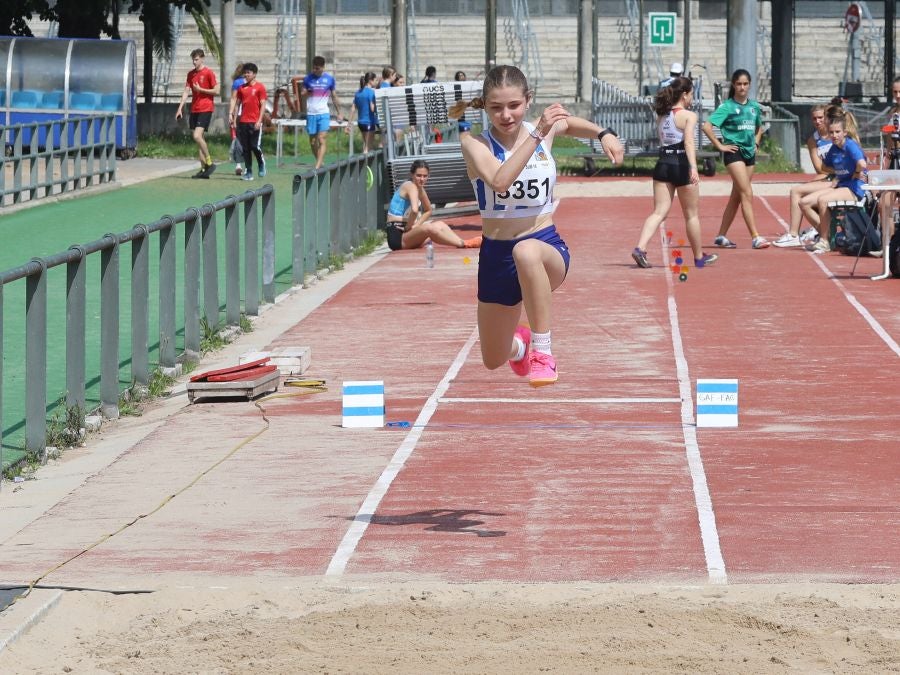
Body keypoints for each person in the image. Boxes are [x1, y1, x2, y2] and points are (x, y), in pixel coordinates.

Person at [450, 65, 624, 387]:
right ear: (485, 107)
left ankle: (543, 353)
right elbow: (500, 182)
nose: (506, 115)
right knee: (493, 358)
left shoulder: (542, 131)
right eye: (496, 107)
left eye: (514, 105)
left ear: (528, 100)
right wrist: (538, 133)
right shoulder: (474, 145)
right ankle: (521, 346)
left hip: (545, 247)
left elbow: (569, 125)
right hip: (496, 257)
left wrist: (604, 133)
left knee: (526, 250)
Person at [632, 76, 717, 269]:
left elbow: (664, 139)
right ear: (685, 95)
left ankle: (640, 247)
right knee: (691, 215)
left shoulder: (661, 115)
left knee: (659, 212)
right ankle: (698, 257)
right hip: (681, 165)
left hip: (663, 163)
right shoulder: (688, 116)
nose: (693, 98)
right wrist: (694, 167)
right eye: (692, 94)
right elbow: (688, 142)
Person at [701, 68, 769, 249]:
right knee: (747, 192)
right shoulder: (727, 107)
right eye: (739, 84)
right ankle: (755, 237)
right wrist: (720, 145)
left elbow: (759, 127)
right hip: (734, 152)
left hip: (749, 153)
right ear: (733, 85)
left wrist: (756, 142)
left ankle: (721, 235)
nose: (742, 87)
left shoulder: (754, 107)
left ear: (750, 85)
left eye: (745, 84)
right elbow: (706, 126)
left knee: (737, 196)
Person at [801, 109, 868, 254]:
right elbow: (825, 166)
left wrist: (856, 173)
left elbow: (862, 164)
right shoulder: (833, 148)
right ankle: (829, 234)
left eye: (837, 132)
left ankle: (824, 241)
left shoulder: (850, 145)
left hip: (855, 188)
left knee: (823, 200)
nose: (834, 135)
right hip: (842, 185)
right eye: (831, 132)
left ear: (844, 132)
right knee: (804, 203)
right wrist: (838, 176)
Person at [384, 160, 483, 252]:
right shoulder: (410, 186)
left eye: (425, 176)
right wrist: (409, 227)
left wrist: (416, 226)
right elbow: (414, 210)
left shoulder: (420, 190)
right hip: (397, 237)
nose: (422, 179)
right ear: (412, 175)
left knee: (440, 224)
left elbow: (428, 210)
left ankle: (462, 242)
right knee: (429, 228)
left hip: (407, 232)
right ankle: (463, 244)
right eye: (418, 175)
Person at [773, 104, 835, 247]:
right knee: (803, 193)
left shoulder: (836, 134)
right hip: (826, 177)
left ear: (827, 117)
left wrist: (835, 171)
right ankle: (814, 232)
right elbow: (819, 168)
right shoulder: (813, 140)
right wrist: (831, 171)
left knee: (797, 191)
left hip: (838, 178)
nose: (818, 121)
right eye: (814, 119)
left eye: (820, 117)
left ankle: (795, 234)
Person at [175, 48, 217, 179]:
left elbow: (216, 90)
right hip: (195, 109)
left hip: (206, 108)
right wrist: (180, 108)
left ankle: (209, 163)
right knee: (200, 140)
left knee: (197, 136)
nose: (194, 62)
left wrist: (201, 89)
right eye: (193, 59)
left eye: (196, 59)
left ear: (202, 59)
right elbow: (186, 91)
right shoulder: (191, 74)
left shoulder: (209, 73)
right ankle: (204, 169)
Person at [300, 55, 344, 169]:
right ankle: (320, 161)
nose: (315, 70)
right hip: (311, 113)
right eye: (314, 68)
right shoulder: (308, 78)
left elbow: (334, 96)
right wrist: (307, 92)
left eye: (318, 68)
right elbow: (302, 93)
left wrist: (340, 112)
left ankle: (317, 166)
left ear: (323, 67)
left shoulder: (329, 79)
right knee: (313, 141)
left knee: (321, 138)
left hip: (323, 113)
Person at [228, 62, 267, 181]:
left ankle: (261, 163)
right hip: (243, 122)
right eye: (245, 72)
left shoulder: (260, 87)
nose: (246, 75)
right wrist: (234, 119)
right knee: (245, 148)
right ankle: (249, 172)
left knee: (254, 146)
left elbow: (263, 104)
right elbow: (237, 104)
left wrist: (259, 120)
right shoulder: (241, 88)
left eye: (248, 73)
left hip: (255, 122)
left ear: (254, 74)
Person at [351, 72, 379, 153]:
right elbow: (372, 108)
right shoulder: (371, 92)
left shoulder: (358, 92)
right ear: (370, 81)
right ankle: (365, 164)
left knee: (366, 145)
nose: (376, 82)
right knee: (367, 147)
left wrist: (349, 123)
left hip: (361, 122)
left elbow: (353, 108)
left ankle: (366, 163)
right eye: (375, 80)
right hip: (369, 122)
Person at [229, 63, 247, 176]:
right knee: (246, 141)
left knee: (236, 139)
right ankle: (246, 166)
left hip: (238, 113)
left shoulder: (236, 82)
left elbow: (233, 99)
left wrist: (230, 114)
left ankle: (238, 164)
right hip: (246, 114)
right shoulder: (246, 82)